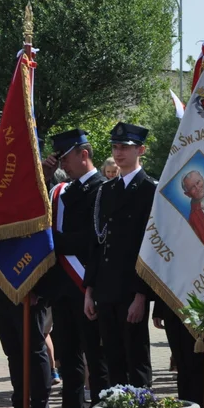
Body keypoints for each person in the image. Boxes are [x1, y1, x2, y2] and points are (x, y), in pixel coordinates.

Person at [38, 129, 107, 408]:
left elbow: (91, 238)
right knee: (68, 356)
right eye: (59, 157)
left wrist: (57, 243)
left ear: (83, 153)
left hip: (86, 284)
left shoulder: (100, 189)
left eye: (65, 156)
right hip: (62, 285)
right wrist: (47, 175)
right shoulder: (61, 190)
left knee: (95, 356)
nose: (62, 162)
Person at [84, 123, 157, 390]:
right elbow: (97, 243)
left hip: (130, 288)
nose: (119, 152)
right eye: (115, 147)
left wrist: (141, 295)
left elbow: (149, 247)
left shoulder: (150, 190)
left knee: (135, 358)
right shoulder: (107, 190)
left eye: (125, 147)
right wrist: (89, 290)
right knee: (111, 358)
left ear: (141, 150)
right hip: (105, 287)